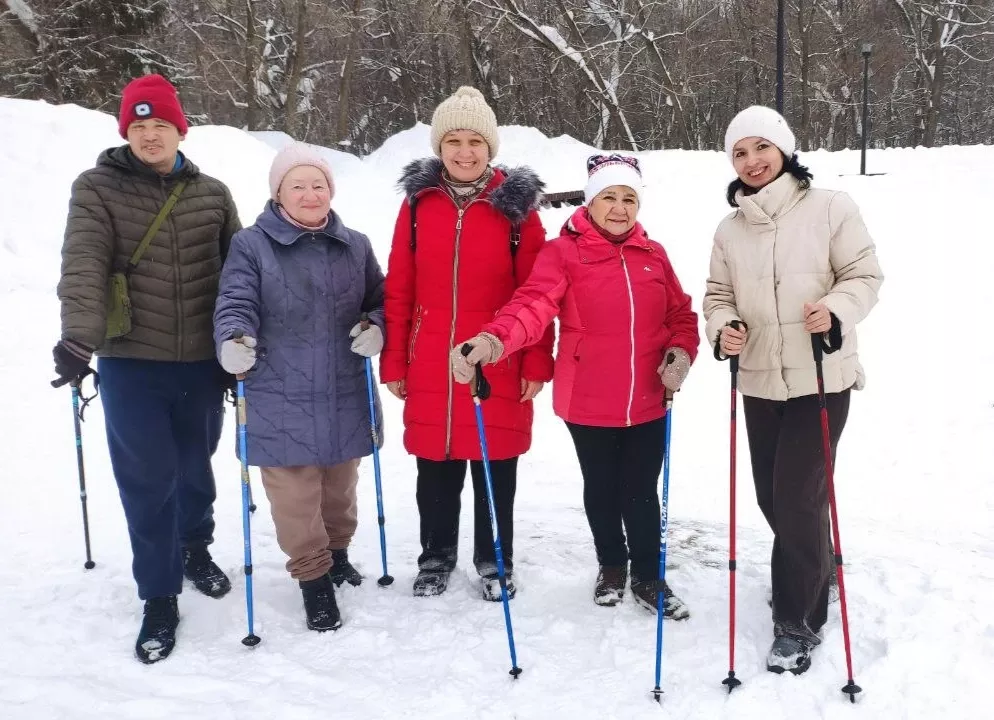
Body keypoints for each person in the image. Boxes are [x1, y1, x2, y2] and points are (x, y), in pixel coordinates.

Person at [452, 154, 699, 618]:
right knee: (602, 486)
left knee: (642, 487)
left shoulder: (653, 254)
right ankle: (611, 565)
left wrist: (680, 352)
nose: (621, 208)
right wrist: (492, 341)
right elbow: (532, 305)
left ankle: (649, 575)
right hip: (587, 397)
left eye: (629, 198)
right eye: (610, 197)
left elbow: (680, 315)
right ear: (591, 201)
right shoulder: (564, 253)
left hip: (649, 395)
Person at [53, 74, 241, 664]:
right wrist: (78, 339)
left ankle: (195, 546)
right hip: (132, 359)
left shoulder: (212, 193)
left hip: (202, 363)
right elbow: (83, 263)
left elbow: (240, 274)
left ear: (180, 129)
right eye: (139, 126)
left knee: (195, 462)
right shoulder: (97, 188)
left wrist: (241, 342)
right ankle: (158, 593)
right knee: (147, 478)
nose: (151, 135)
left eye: (161, 124)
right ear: (124, 132)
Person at [703, 105, 883, 675]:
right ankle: (814, 570)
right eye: (740, 153)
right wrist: (723, 326)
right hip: (758, 380)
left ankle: (796, 619)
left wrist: (833, 310)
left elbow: (864, 275)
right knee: (771, 496)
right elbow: (716, 295)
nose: (752, 161)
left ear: (783, 149)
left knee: (798, 500)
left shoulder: (830, 207)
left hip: (821, 378)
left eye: (761, 148)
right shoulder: (730, 229)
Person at [379, 86, 554, 601]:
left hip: (498, 353)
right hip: (429, 354)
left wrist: (536, 362)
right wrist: (395, 360)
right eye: (452, 140)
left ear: (490, 146)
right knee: (434, 465)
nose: (464, 151)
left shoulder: (518, 209)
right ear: (438, 146)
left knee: (495, 465)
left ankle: (495, 560)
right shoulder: (417, 206)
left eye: (475, 140)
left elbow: (538, 293)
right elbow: (400, 287)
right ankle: (435, 556)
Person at [214, 142, 385, 632]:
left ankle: (337, 552)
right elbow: (235, 299)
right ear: (278, 193)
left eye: (318, 185)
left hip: (342, 386)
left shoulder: (355, 244)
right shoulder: (251, 244)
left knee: (339, 488)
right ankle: (313, 579)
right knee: (293, 494)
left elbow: (381, 297)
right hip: (277, 388)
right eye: (298, 186)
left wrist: (377, 325)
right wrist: (233, 337)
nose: (310, 195)